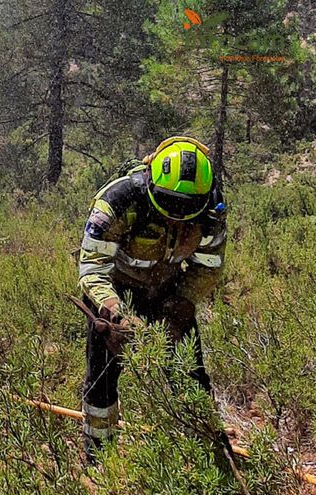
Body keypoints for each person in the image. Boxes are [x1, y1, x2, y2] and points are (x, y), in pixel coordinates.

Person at [77, 136, 227, 462]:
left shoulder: (210, 208)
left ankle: (207, 456)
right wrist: (115, 313)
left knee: (192, 377)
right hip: (117, 292)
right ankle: (98, 455)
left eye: (187, 209)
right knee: (102, 380)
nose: (178, 216)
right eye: (171, 205)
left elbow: (208, 267)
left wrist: (181, 308)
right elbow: (92, 268)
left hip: (170, 294)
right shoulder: (119, 201)